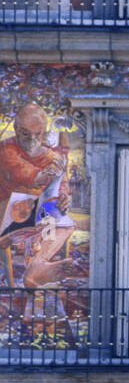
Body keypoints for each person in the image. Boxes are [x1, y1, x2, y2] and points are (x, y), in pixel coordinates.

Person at [0, 102, 75, 287]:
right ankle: (17, 236)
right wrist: (42, 175)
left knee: (64, 223)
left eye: (38, 134)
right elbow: (19, 171)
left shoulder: (51, 155)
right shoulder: (4, 149)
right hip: (6, 210)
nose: (32, 139)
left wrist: (64, 197)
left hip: (37, 213)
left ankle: (36, 267)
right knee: (38, 218)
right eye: (26, 133)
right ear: (16, 129)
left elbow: (62, 185)